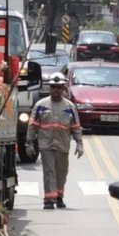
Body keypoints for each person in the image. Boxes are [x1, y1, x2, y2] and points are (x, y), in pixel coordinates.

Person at [25, 72, 84, 210]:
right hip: (46, 145)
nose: (56, 90)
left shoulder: (70, 107)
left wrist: (79, 144)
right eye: (53, 87)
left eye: (59, 87)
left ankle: (59, 196)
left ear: (63, 88)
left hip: (62, 146)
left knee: (61, 172)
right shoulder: (41, 105)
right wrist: (29, 142)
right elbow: (32, 125)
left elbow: (75, 127)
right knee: (49, 171)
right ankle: (49, 199)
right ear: (49, 88)